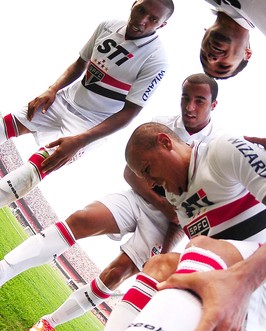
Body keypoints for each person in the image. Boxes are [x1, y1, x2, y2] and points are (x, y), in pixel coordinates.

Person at [0, 122, 266, 331]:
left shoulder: (221, 150)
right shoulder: (181, 204)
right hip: (240, 277)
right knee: (159, 266)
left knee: (201, 249)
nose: (150, 181)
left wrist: (244, 281)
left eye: (147, 169)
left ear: (165, 142)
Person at [0, 73, 219, 331]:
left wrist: (168, 242)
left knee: (116, 275)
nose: (189, 107)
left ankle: (49, 323)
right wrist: (162, 202)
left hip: (169, 225)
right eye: (185, 98)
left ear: (213, 105)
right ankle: (3, 271)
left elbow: (197, 207)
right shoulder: (161, 125)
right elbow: (130, 173)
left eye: (199, 101)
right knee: (82, 219)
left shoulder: (216, 147)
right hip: (143, 198)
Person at [0, 0, 174, 207]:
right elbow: (80, 63)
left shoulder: (157, 59)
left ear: (162, 25)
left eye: (153, 19)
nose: (142, 20)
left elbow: (130, 112)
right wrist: (52, 89)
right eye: (141, 10)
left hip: (88, 126)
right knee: (3, 126)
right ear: (134, 3)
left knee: (34, 171)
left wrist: (82, 141)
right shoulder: (108, 25)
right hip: (64, 100)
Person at [200, 0, 266, 79]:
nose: (211, 59)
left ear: (205, 32)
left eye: (204, 57)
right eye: (223, 66)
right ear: (247, 53)